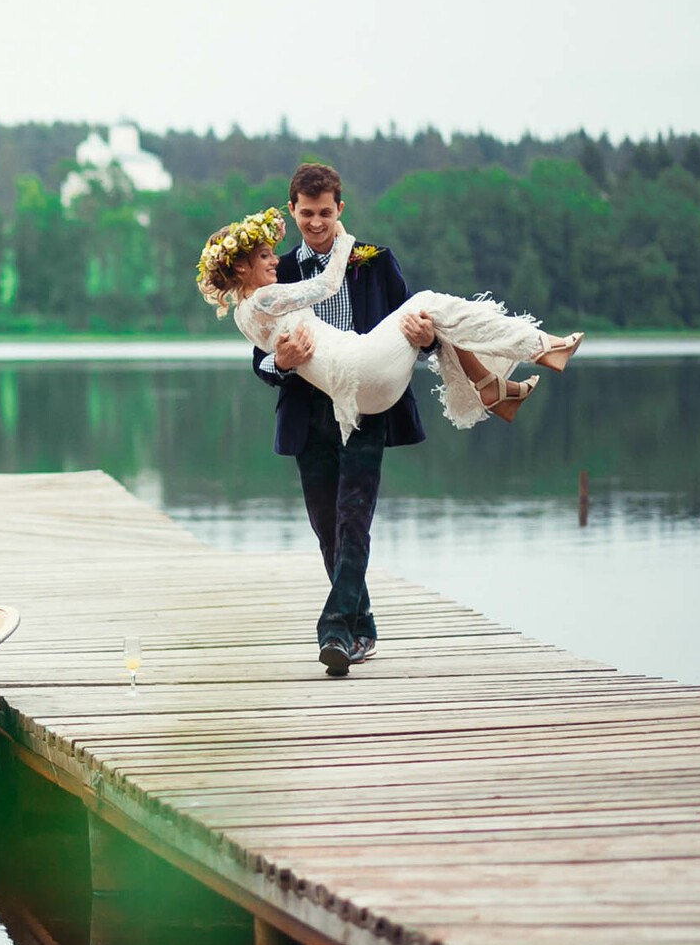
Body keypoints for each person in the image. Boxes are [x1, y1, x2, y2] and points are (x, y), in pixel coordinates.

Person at [199, 164, 582, 677]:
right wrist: (280, 361)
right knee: (327, 529)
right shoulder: (275, 272)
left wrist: (423, 336)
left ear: (340, 209)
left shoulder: (375, 261)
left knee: (354, 518)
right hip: (309, 410)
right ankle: (362, 630)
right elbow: (260, 359)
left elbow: (417, 333)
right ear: (292, 212)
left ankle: (334, 629)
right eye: (307, 214)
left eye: (326, 213)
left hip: (366, 398)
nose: (316, 223)